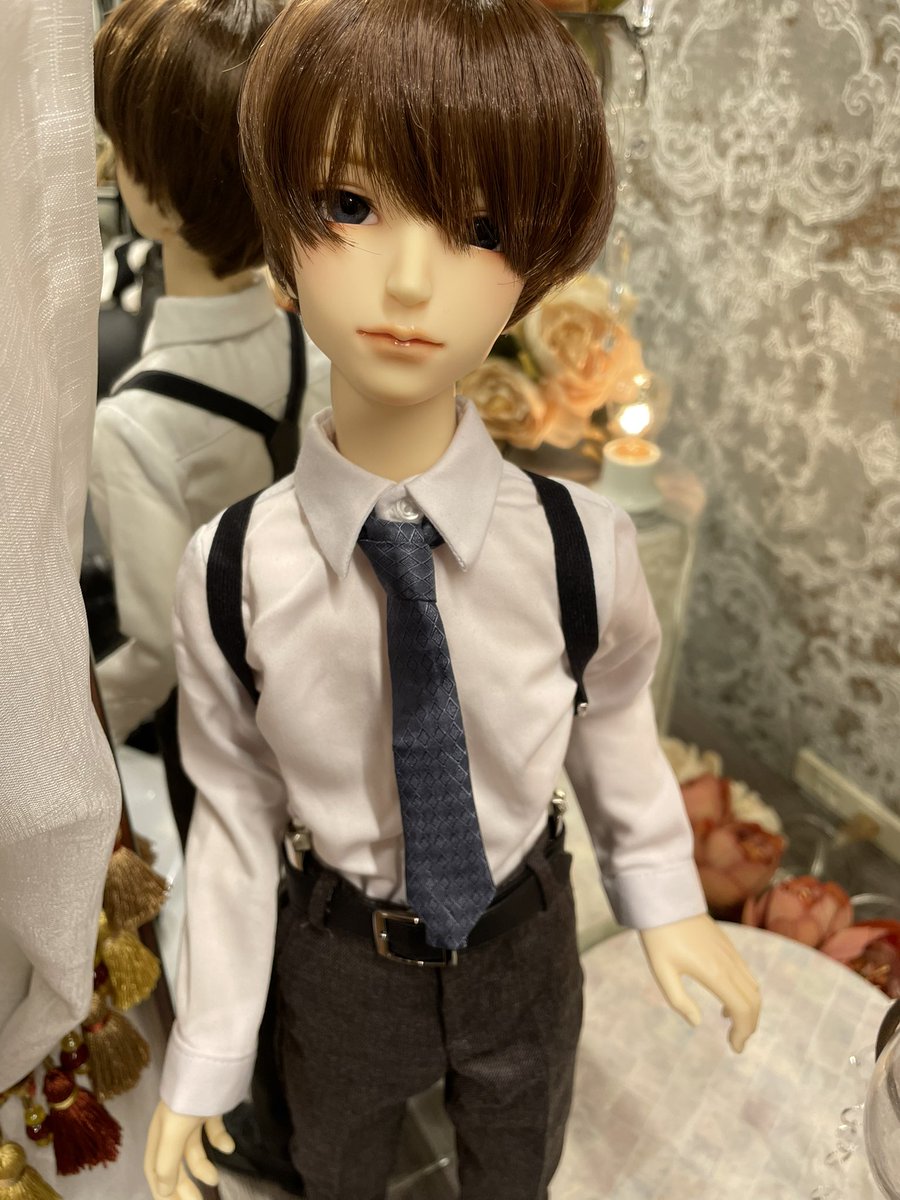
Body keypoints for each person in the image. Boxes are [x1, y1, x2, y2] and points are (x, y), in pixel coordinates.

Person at [145, 2, 761, 1198]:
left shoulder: (582, 546)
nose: (412, 279)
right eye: (349, 205)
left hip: (525, 944)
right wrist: (211, 1049)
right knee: (334, 1171)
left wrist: (664, 895)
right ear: (279, 247)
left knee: (518, 1172)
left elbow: (612, 720)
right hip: (339, 964)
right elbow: (232, 816)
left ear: (533, 272)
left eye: (478, 227)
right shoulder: (232, 572)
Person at [90, 0, 310, 842]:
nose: (110, 162)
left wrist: (75, 735)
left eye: (123, 150)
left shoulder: (136, 424)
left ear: (160, 195)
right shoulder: (312, 345)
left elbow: (158, 650)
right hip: (307, 700)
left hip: (216, 735)